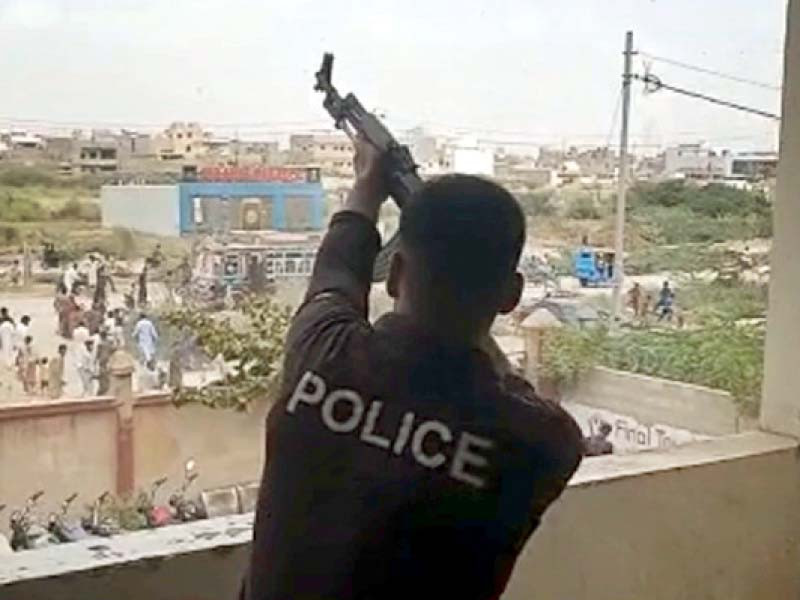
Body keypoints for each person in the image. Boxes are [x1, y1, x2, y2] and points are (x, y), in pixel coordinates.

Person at [241, 140, 583, 600]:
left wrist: (367, 188)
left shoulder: (321, 349)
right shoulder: (540, 443)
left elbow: (337, 269)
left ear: (396, 273)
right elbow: (499, 389)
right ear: (512, 295)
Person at [95, 329, 114, 395]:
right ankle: (107, 387)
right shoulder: (109, 342)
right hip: (108, 360)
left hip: (102, 360)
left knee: (103, 375)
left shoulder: (100, 344)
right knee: (108, 374)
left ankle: (103, 388)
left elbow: (98, 353)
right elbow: (113, 349)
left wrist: (95, 360)